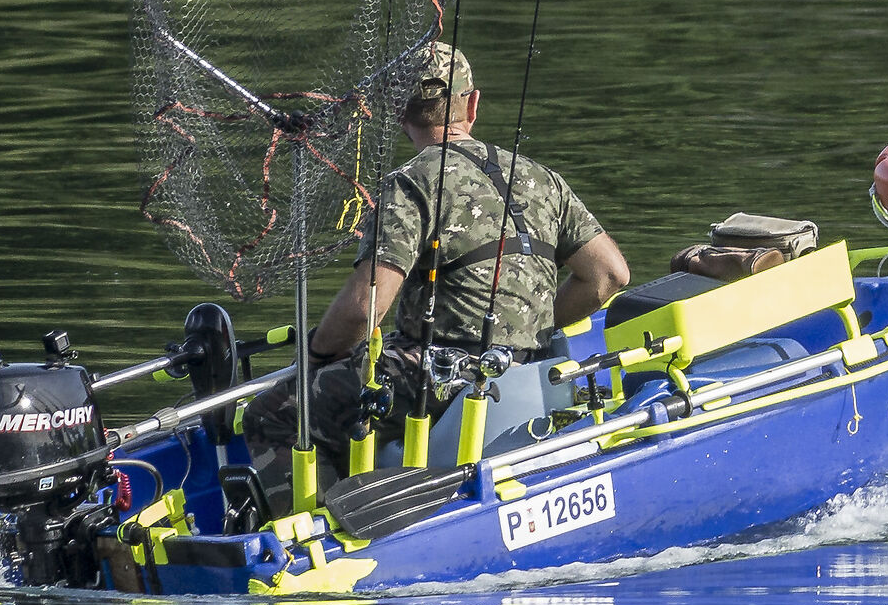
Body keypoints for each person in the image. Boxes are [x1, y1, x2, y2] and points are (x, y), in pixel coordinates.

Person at [243, 43, 628, 490]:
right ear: (473, 103)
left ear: (399, 115)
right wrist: (533, 328)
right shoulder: (541, 177)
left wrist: (314, 357)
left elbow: (365, 308)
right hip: (530, 370)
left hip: (437, 380)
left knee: (273, 413)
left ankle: (317, 535)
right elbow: (610, 274)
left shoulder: (409, 184)